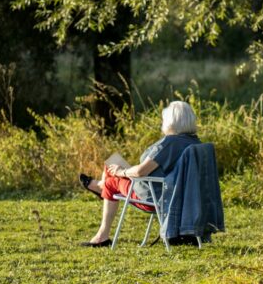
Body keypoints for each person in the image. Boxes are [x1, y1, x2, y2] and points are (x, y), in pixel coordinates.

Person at [78, 101, 201, 247]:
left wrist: (121, 172)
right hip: (176, 195)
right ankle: (101, 187)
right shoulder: (195, 143)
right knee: (112, 161)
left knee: (111, 181)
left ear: (171, 122)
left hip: (155, 197)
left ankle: (101, 236)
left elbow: (140, 171)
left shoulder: (170, 143)